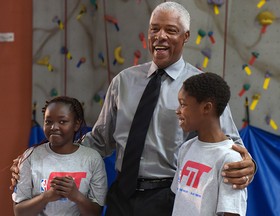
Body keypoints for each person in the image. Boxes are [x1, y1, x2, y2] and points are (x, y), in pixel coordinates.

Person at [10, 2, 255, 216]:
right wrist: (41, 157)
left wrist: (248, 166)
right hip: (121, 196)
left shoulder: (200, 88)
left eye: (171, 30)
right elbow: (98, 141)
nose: (161, 36)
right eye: (154, 29)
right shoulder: (123, 81)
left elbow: (229, 144)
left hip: (170, 197)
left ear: (186, 37)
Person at [12, 96, 107, 216]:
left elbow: (96, 213)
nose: (54, 127)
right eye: (48, 121)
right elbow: (19, 212)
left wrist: (76, 196)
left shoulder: (93, 159)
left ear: (76, 124)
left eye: (62, 121)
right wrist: (46, 197)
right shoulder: (30, 156)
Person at [171, 72, 247, 216]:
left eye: (183, 104)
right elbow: (180, 202)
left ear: (206, 108)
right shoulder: (186, 148)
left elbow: (232, 212)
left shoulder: (230, 159)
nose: (177, 111)